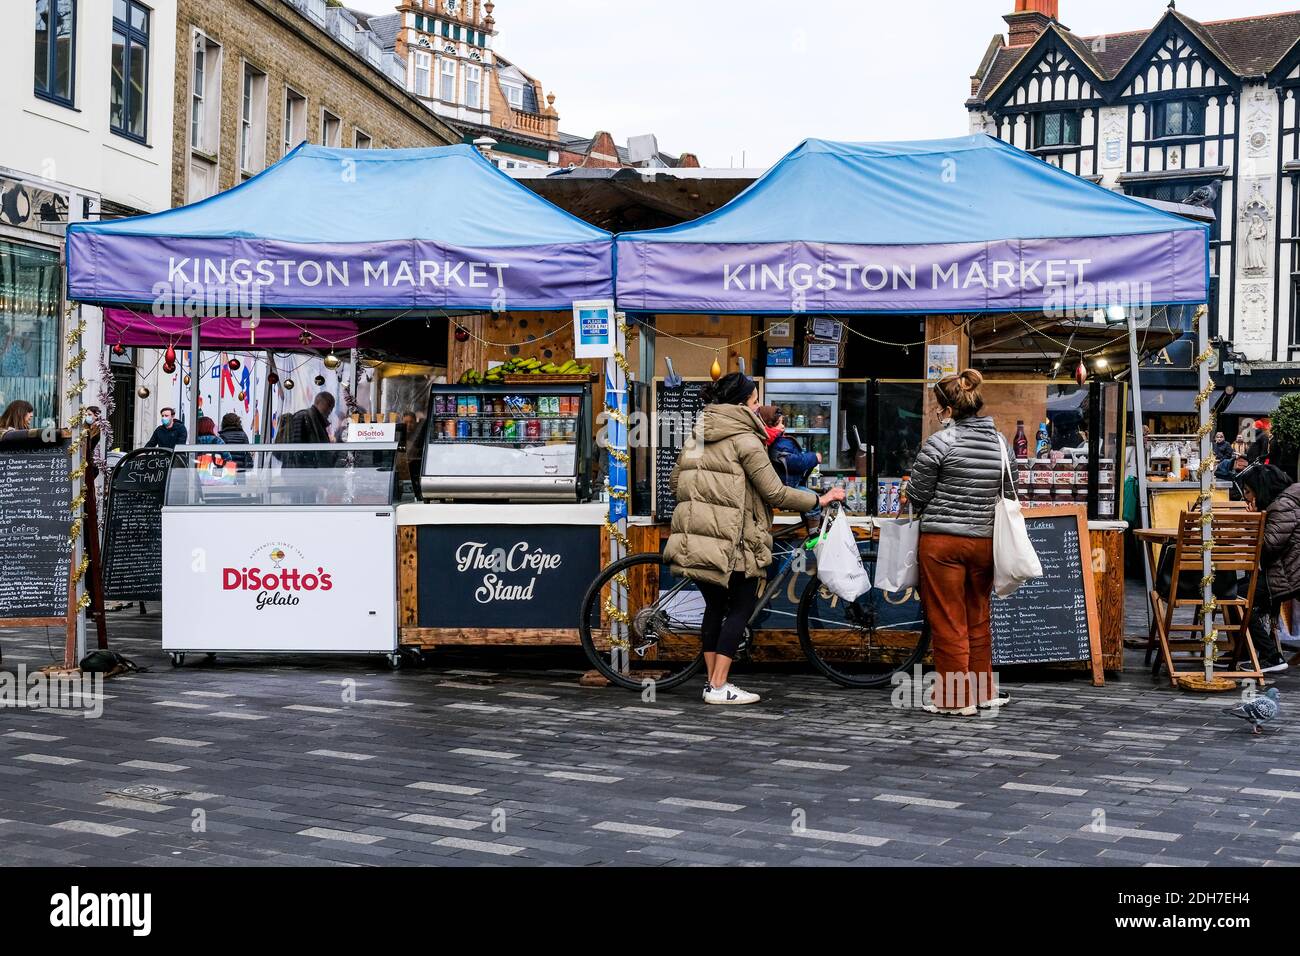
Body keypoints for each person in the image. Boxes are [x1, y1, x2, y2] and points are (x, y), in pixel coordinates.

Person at [664, 373, 844, 706]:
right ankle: (719, 686)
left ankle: (712, 682)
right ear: (744, 403)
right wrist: (819, 499)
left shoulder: (698, 436)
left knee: (716, 606)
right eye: (756, 399)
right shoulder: (746, 441)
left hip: (696, 538)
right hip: (732, 540)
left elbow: (676, 484)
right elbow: (775, 492)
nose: (759, 404)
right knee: (742, 606)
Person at [903, 369, 1014, 717]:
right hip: (984, 542)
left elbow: (917, 495)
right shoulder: (1000, 443)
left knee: (949, 619)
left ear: (948, 410)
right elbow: (1008, 492)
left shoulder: (940, 442)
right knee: (978, 615)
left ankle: (953, 698)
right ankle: (982, 691)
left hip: (943, 545)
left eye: (939, 408)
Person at [1235, 463, 1298, 674]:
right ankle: (1245, 651)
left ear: (1260, 489)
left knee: (1235, 598)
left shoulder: (1282, 506)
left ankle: (1271, 656)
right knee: (1235, 591)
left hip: (1288, 577)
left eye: (1248, 492)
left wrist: (1253, 522)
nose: (1246, 498)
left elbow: (1268, 547)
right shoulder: (1284, 502)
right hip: (1285, 573)